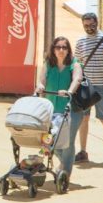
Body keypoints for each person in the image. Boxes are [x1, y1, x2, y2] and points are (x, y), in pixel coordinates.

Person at [74, 13, 103, 163]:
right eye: (86, 25)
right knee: (84, 118)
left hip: (102, 85)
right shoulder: (80, 42)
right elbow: (78, 65)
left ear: (97, 23)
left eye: (91, 25)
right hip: (86, 85)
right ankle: (83, 151)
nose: (89, 28)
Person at [36, 36, 83, 179]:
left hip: (71, 110)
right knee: (48, 140)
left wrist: (69, 91)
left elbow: (77, 79)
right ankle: (63, 165)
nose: (61, 50)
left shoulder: (74, 64)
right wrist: (40, 86)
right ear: (53, 49)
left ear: (68, 50)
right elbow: (41, 79)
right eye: (58, 47)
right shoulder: (48, 64)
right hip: (50, 109)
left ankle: (65, 174)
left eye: (64, 47)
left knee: (67, 142)